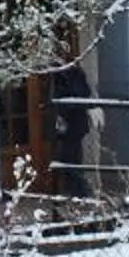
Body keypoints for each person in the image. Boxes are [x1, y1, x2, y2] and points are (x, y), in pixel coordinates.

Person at [45, 61, 96, 200]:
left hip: (72, 121)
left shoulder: (69, 74)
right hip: (69, 121)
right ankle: (72, 188)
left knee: (71, 156)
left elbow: (79, 95)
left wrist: (62, 114)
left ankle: (76, 190)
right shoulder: (69, 73)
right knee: (68, 156)